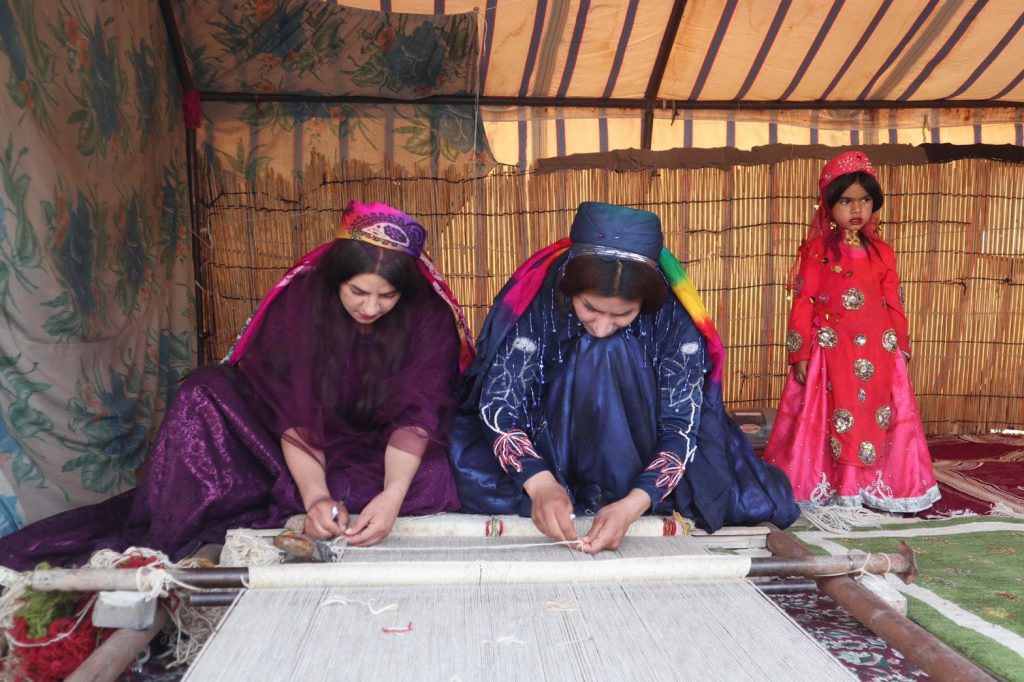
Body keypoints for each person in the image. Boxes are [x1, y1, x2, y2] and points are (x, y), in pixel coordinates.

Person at [0, 201, 474, 569]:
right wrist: (314, 496)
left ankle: (337, 500)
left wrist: (391, 498)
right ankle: (278, 506)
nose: (371, 308)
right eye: (359, 292)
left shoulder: (427, 317)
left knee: (427, 480)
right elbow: (296, 409)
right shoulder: (303, 305)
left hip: (377, 446)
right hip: (292, 437)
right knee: (201, 393)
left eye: (386, 296)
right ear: (335, 280)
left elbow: (417, 414)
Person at [448, 201, 799, 553]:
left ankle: (616, 491)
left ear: (644, 302)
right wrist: (538, 483)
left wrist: (635, 503)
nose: (601, 326)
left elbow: (681, 424)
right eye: (589, 307)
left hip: (639, 449)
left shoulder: (673, 315)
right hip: (550, 443)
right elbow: (500, 403)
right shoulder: (541, 298)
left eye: (623, 314)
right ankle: (565, 487)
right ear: (570, 288)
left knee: (606, 350)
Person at [761, 151, 939, 514]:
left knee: (875, 416)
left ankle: (876, 487)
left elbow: (894, 302)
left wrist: (900, 346)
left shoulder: (883, 253)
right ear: (829, 205)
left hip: (878, 351)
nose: (857, 209)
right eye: (846, 200)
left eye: (865, 200)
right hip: (831, 352)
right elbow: (804, 302)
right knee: (836, 415)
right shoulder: (816, 251)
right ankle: (837, 486)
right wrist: (800, 353)